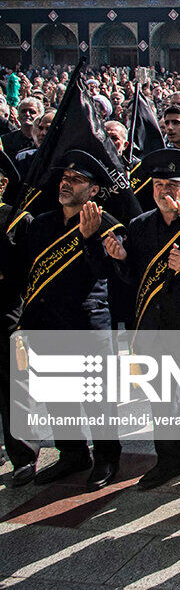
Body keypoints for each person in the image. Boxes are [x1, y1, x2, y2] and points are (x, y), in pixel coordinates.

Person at [103, 148, 180, 491]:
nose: (165, 191)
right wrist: (122, 259)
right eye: (158, 184)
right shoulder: (140, 225)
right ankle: (170, 460)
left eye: (172, 184)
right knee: (160, 399)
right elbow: (133, 278)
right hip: (155, 328)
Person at [19, 150, 124, 489]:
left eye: (76, 180)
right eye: (65, 178)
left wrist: (90, 238)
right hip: (47, 321)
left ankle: (107, 457)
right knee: (57, 394)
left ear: (93, 190)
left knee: (96, 398)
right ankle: (73, 453)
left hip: (86, 321)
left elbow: (109, 272)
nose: (66, 183)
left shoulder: (105, 224)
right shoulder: (43, 222)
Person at [0, 162, 36, 485]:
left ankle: (23, 455)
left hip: (8, 313)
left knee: (13, 384)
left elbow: (26, 272)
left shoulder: (18, 220)